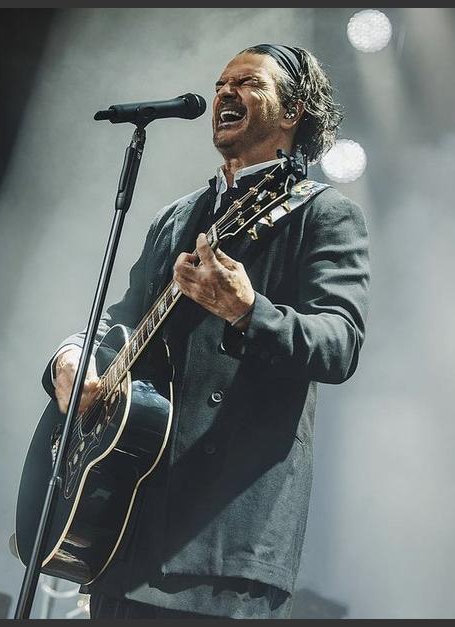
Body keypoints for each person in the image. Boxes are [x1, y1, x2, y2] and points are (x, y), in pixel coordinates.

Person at [45, 45, 370, 619]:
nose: (225, 93)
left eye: (247, 83)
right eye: (221, 83)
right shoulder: (176, 218)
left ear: (292, 113)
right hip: (127, 533)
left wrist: (249, 311)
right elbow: (118, 318)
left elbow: (338, 344)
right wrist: (74, 357)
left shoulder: (322, 213)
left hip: (224, 544)